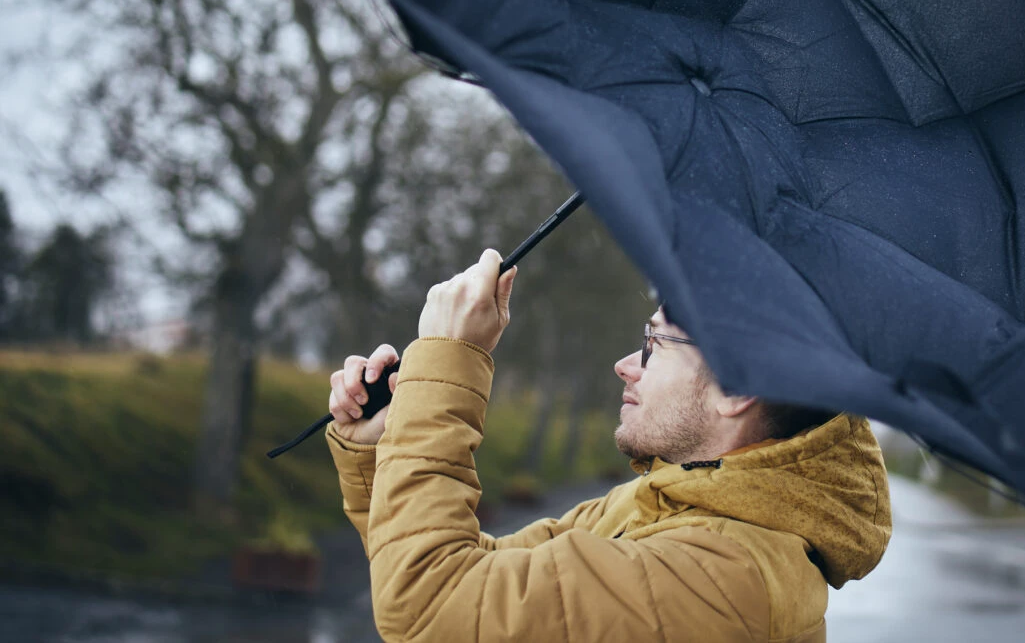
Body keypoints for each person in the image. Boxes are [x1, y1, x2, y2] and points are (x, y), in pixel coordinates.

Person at [325, 249, 891, 643]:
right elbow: (462, 577)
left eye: (654, 345)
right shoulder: (663, 504)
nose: (626, 366)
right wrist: (379, 451)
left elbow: (429, 605)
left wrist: (448, 358)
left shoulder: (726, 579)